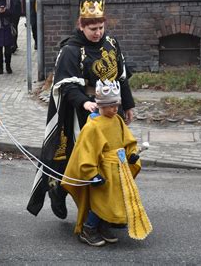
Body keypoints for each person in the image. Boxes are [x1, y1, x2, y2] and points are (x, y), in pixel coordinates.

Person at [26, 0, 136, 220]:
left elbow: (121, 78)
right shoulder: (71, 50)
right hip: (82, 114)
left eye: (100, 28)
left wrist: (128, 104)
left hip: (111, 111)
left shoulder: (112, 44)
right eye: (92, 29)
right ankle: (64, 194)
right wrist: (84, 102)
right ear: (81, 26)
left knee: (110, 158)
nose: (97, 33)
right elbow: (66, 85)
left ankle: (104, 211)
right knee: (83, 160)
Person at [61, 79, 151, 247]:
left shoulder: (117, 120)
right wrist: (91, 173)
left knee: (115, 199)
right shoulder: (92, 126)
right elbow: (86, 151)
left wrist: (131, 154)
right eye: (111, 106)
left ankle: (103, 225)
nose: (115, 109)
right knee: (102, 201)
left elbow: (127, 139)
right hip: (103, 170)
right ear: (101, 105)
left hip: (118, 169)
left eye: (116, 105)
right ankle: (89, 228)